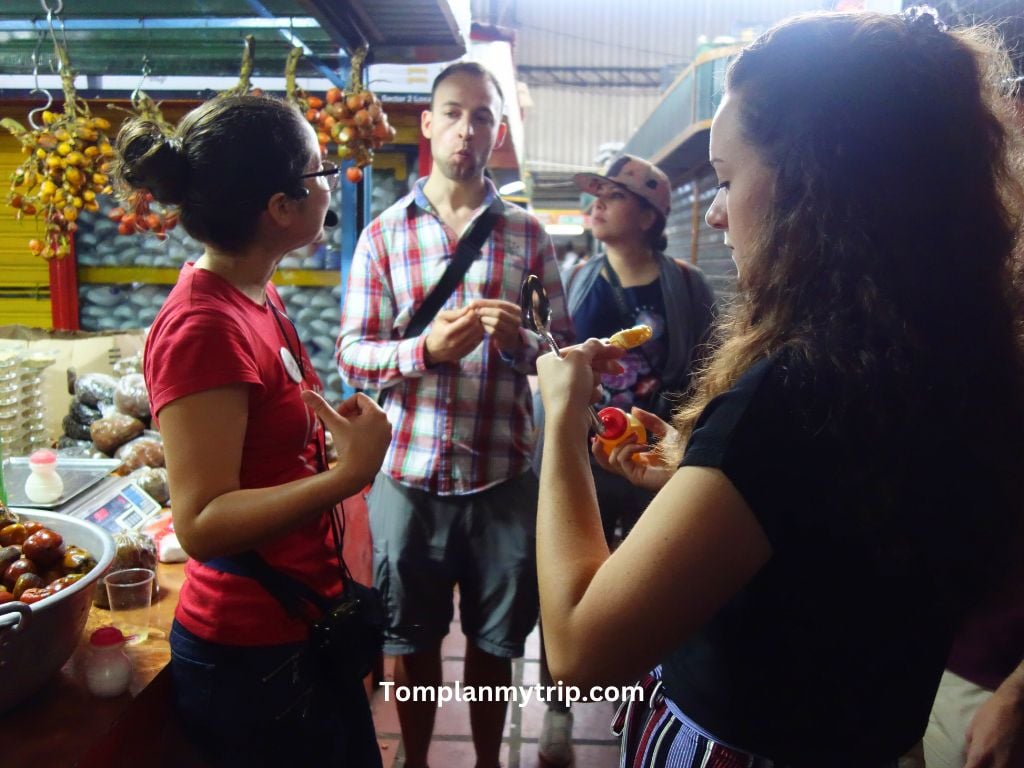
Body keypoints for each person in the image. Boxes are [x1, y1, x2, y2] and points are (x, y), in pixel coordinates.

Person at [534, 8, 1024, 768]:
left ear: (816, 183)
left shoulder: (793, 391)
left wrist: (562, 420)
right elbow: (821, 553)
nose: (719, 212)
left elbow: (577, 645)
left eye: (727, 179)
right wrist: (702, 475)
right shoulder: (959, 354)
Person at [115, 94, 392, 767]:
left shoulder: (256, 296)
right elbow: (202, 520)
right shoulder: (203, 327)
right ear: (281, 207)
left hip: (295, 624)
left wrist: (322, 447)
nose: (333, 186)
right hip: (251, 657)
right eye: (321, 172)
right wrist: (349, 474)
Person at [337, 61, 570, 768]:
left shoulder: (528, 235)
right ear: (427, 123)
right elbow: (351, 357)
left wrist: (521, 342)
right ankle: (413, 757)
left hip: (504, 478)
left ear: (497, 131)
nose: (467, 128)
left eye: (482, 116)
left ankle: (489, 760)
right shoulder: (383, 236)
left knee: (497, 645)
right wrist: (423, 350)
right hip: (407, 478)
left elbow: (561, 351)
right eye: (453, 111)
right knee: (409, 645)